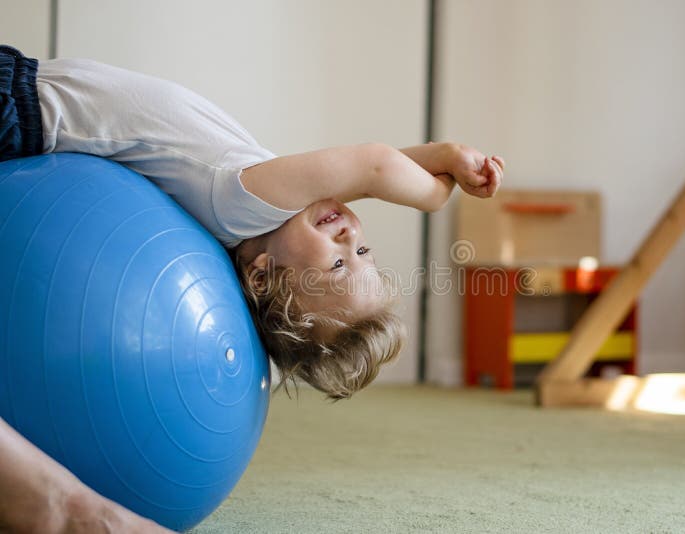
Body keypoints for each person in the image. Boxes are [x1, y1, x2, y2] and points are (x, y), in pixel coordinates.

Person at [1, 44, 504, 532]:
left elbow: (373, 165)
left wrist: (440, 184)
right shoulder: (260, 212)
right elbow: (372, 171)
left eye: (336, 264)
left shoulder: (245, 203)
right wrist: (435, 165)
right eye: (364, 254)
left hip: (15, 107)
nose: (352, 236)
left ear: (262, 276)